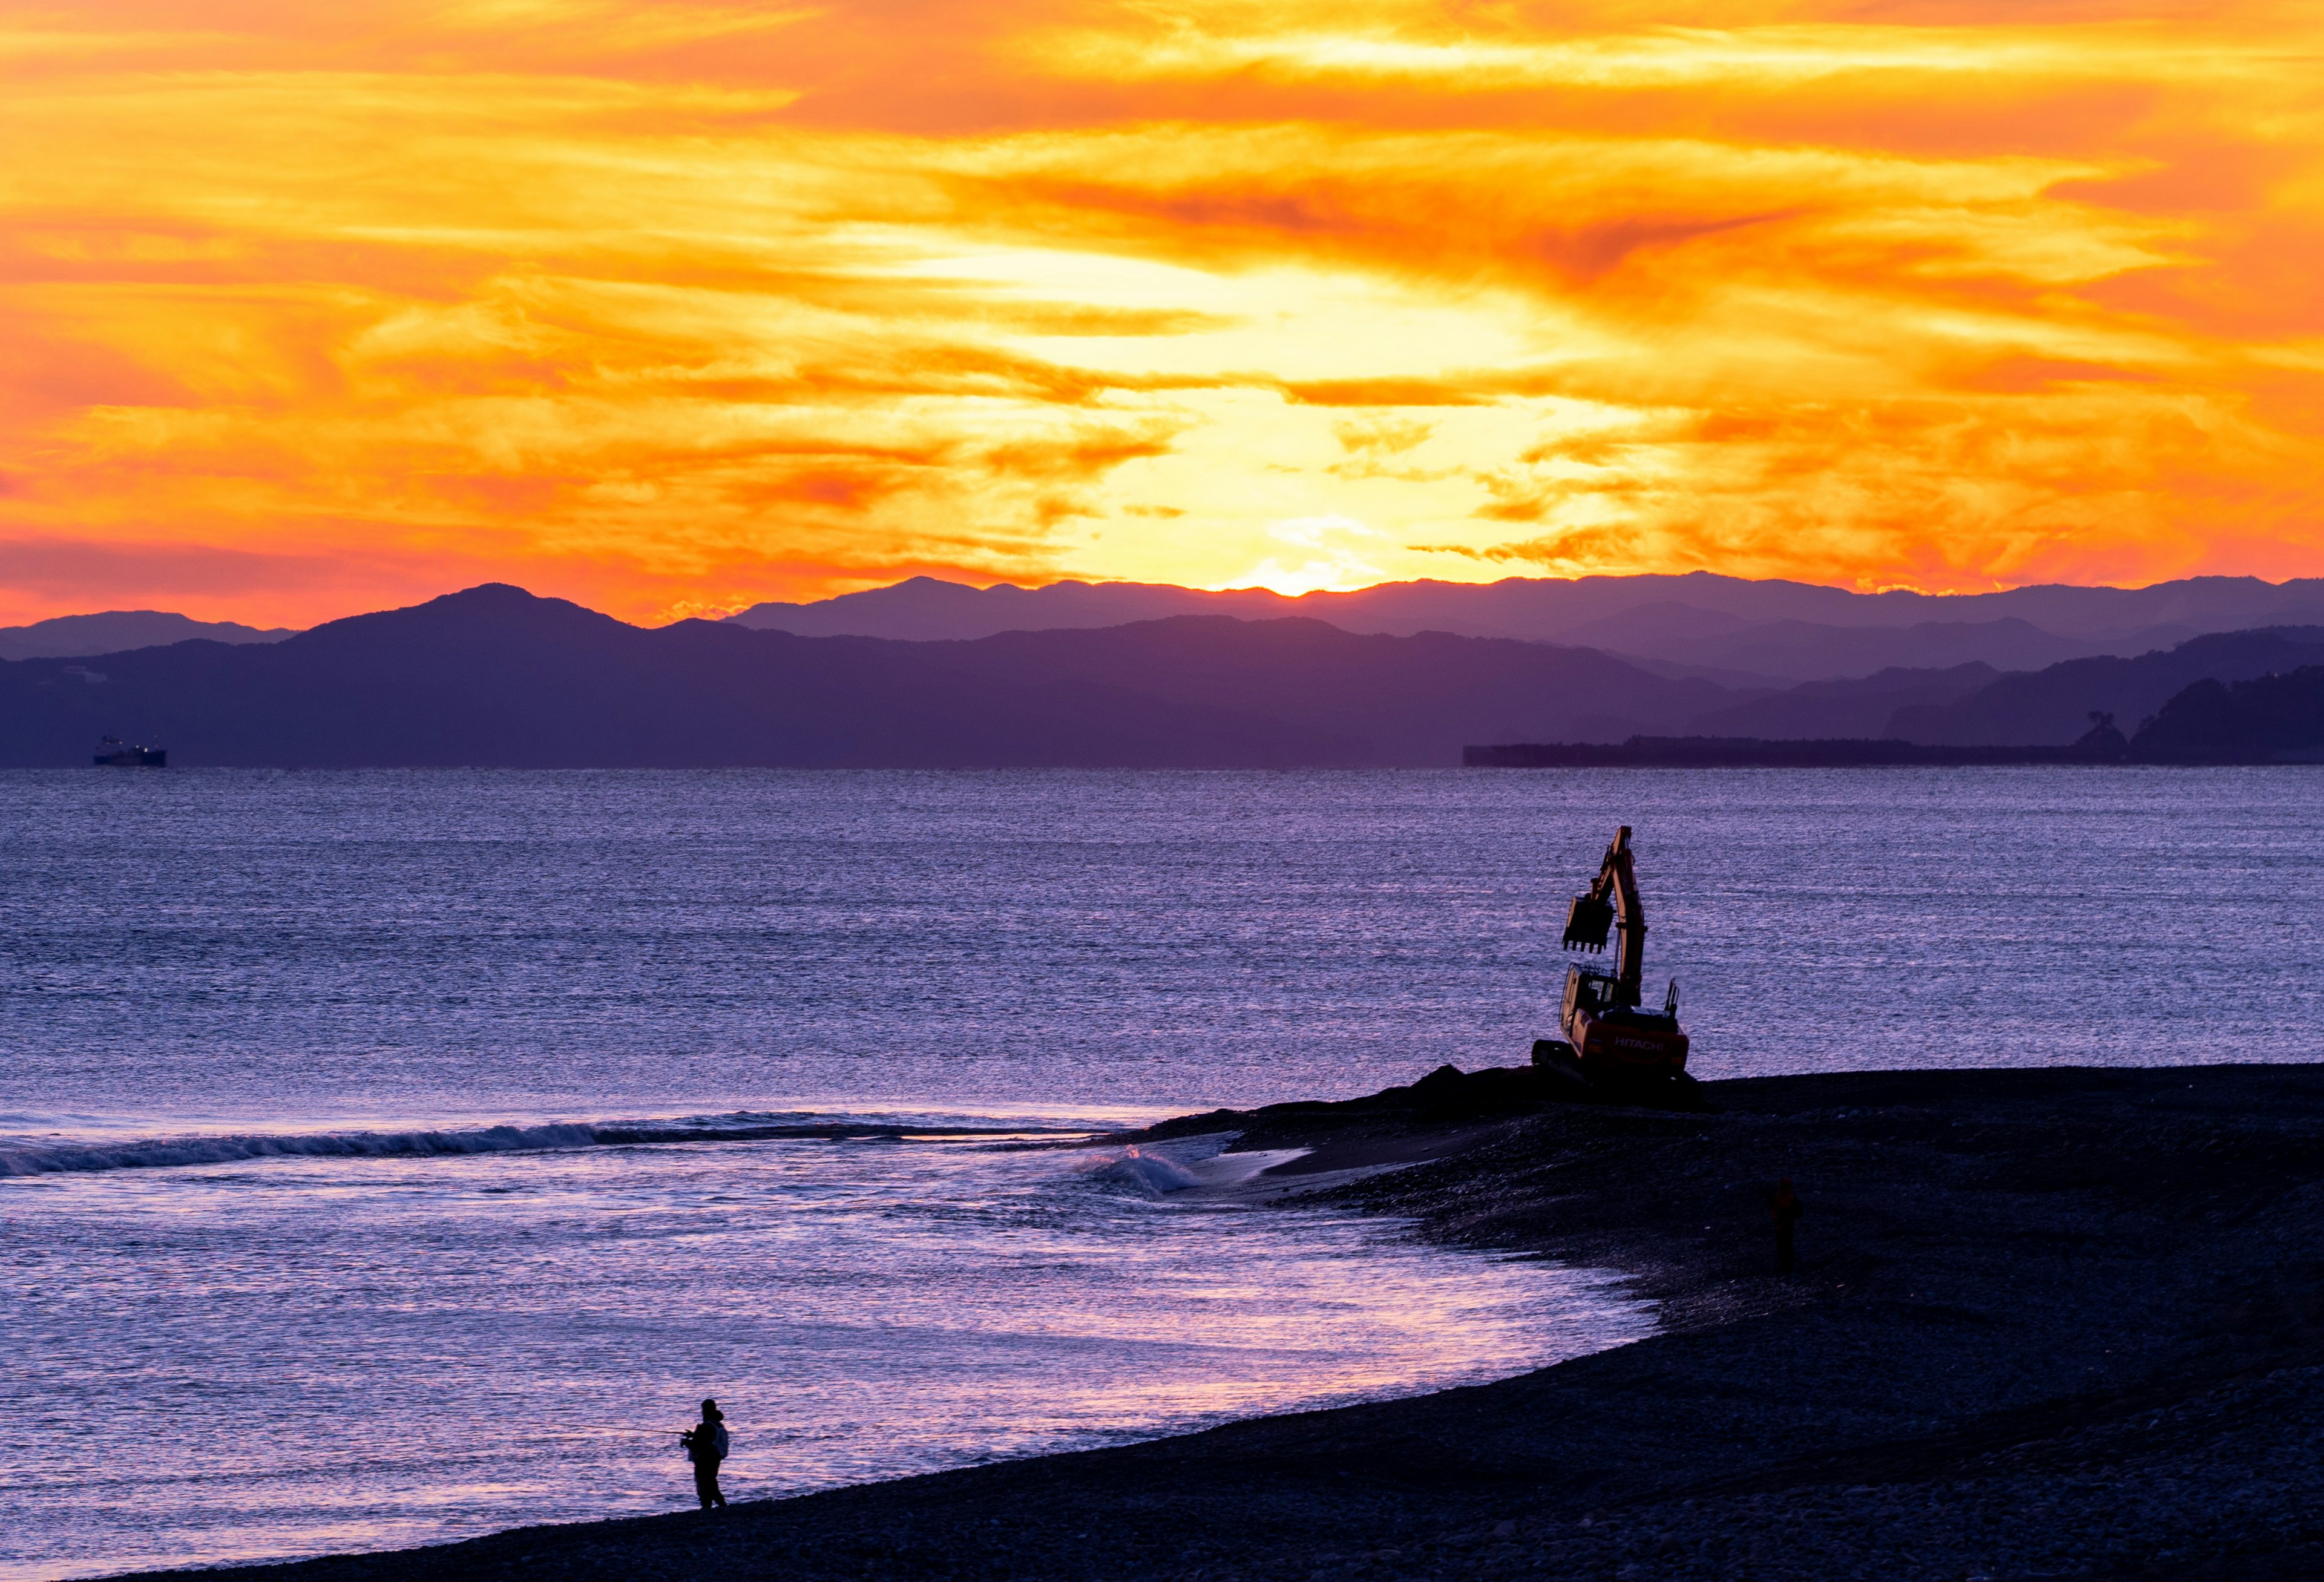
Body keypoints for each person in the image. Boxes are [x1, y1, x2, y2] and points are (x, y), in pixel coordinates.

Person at [680, 1398, 730, 1509]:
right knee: (710, 1481)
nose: (702, 1413)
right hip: (714, 1458)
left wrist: (686, 1442)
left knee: (705, 1483)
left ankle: (711, 1506)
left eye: (703, 1410)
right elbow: (708, 1439)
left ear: (706, 1411)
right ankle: (719, 1505)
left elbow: (699, 1446)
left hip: (705, 1459)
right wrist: (693, 1435)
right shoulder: (717, 1425)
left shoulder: (706, 1427)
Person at [1770, 1179, 1804, 1274]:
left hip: (1785, 1225)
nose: (1779, 1186)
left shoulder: (1787, 1198)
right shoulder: (1784, 1197)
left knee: (1785, 1246)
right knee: (1784, 1246)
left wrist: (1774, 1206)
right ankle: (1787, 1266)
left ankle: (1788, 1266)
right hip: (1783, 1224)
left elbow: (1783, 1211)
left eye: (1781, 1185)